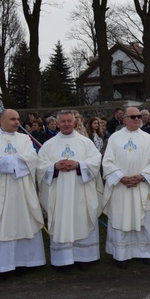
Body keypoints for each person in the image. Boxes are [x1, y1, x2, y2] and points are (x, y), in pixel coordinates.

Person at [0, 109, 45, 276]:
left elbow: (31, 159)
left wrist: (7, 161)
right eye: (12, 119)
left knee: (23, 221)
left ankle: (26, 262)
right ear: (2, 120)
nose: (17, 122)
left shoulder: (24, 139)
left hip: (21, 190)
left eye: (18, 119)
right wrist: (16, 161)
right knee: (0, 224)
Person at [37, 110, 103, 270]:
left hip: (81, 191)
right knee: (62, 220)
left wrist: (78, 165)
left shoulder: (85, 142)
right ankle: (63, 260)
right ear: (57, 123)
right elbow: (40, 166)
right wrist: (55, 166)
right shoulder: (49, 145)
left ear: (75, 122)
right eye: (63, 121)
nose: (66, 124)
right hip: (59, 194)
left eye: (69, 121)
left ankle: (85, 258)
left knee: (82, 217)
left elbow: (96, 161)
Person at [102, 107, 150, 268]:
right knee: (122, 218)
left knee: (146, 220)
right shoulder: (115, 138)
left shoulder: (147, 138)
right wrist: (120, 177)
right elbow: (107, 161)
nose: (137, 119)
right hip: (122, 187)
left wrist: (143, 176)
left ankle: (148, 252)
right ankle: (122, 254)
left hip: (142, 186)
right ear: (125, 119)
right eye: (133, 117)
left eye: (139, 117)